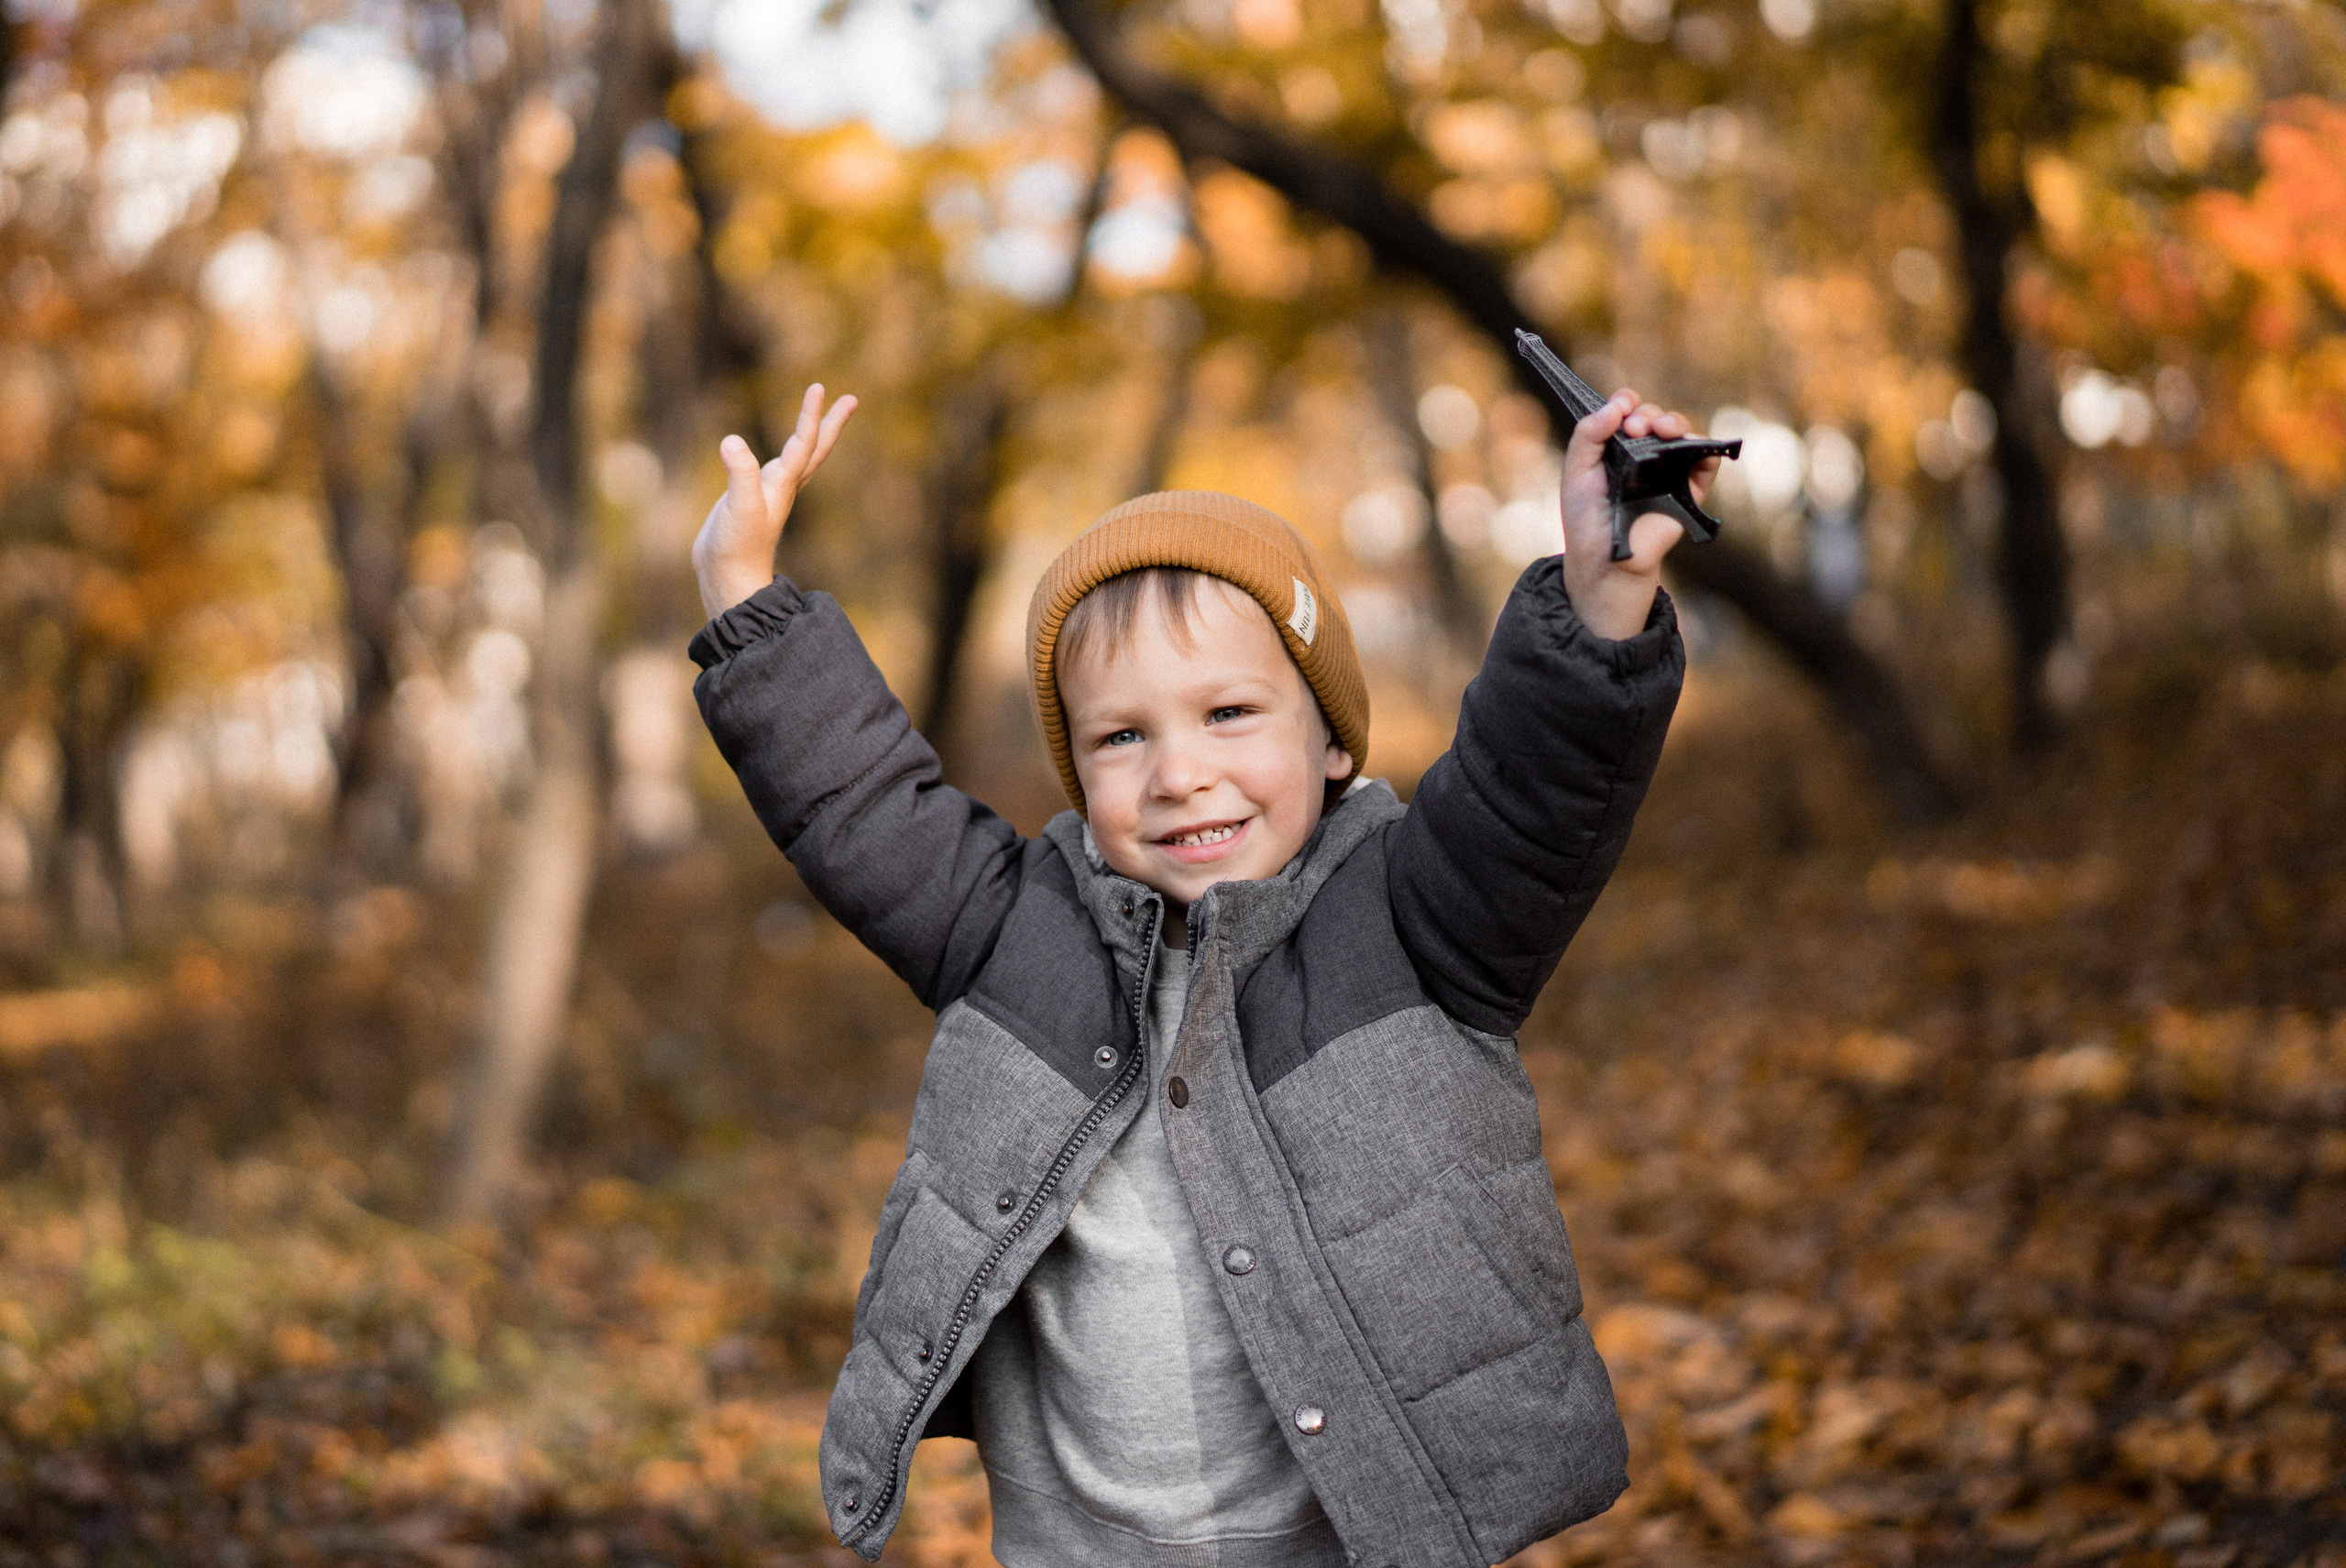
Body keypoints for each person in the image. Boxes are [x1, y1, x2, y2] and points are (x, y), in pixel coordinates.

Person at [687, 380, 1715, 1568]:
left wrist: (1604, 591)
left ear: (1329, 737)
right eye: (1122, 736)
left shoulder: (1413, 918)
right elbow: (860, 804)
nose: (1179, 773)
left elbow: (1536, 783)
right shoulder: (1014, 930)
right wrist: (745, 596)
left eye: (1229, 713)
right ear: (1074, 767)